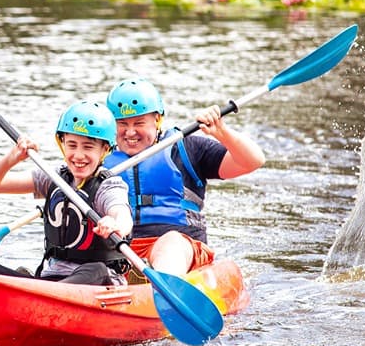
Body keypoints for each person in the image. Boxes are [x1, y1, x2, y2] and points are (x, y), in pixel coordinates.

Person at [0, 100, 134, 285]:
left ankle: (40, 296)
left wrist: (115, 224)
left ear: (105, 149)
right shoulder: (53, 177)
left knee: (96, 269)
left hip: (96, 283)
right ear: (62, 144)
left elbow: (122, 214)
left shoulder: (109, 186)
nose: (78, 155)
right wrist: (11, 159)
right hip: (49, 281)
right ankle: (34, 295)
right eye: (72, 145)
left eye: (88, 147)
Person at [104, 77, 265, 278]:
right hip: (119, 250)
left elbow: (253, 161)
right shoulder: (97, 159)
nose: (130, 132)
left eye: (139, 123)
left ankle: (166, 288)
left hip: (181, 249)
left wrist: (221, 132)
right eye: (121, 124)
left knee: (171, 243)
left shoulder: (186, 149)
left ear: (157, 120)